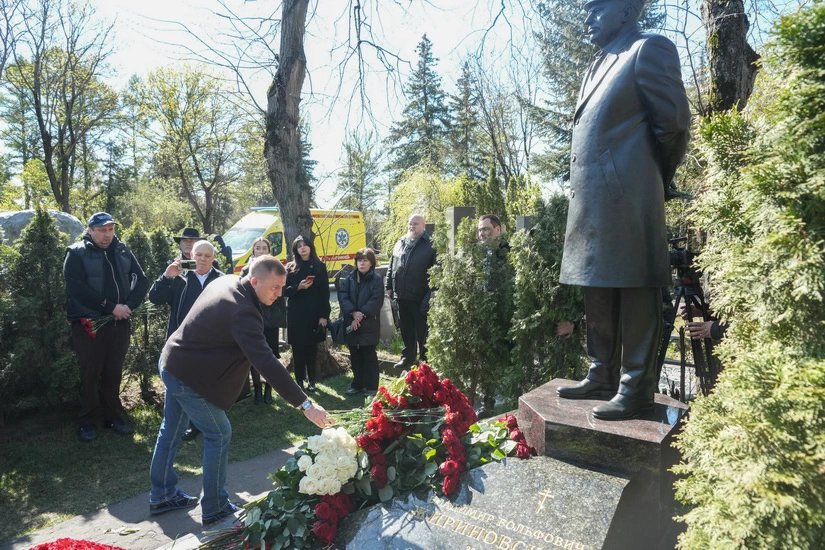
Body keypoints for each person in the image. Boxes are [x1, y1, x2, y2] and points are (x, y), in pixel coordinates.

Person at [556, 0, 691, 419]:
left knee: (634, 286)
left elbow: (674, 125)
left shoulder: (649, 48)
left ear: (628, 11)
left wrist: (651, 180)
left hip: (630, 195)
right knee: (597, 285)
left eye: (599, 8)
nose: (588, 17)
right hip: (592, 199)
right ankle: (602, 372)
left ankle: (635, 387)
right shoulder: (596, 64)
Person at [148, 255, 331, 526]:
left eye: (282, 287)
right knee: (219, 433)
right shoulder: (242, 310)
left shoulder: (230, 282)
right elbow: (265, 361)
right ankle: (215, 507)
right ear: (254, 281)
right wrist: (305, 404)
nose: (279, 294)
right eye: (275, 287)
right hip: (186, 375)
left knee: (172, 428)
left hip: (174, 361)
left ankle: (162, 494)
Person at [64, 212, 148, 442]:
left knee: (114, 370)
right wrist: (111, 307)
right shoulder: (76, 253)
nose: (107, 234)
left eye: (110, 229)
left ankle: (112, 417)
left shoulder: (123, 250)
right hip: (89, 324)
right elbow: (77, 288)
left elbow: (141, 280)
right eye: (102, 230)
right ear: (90, 230)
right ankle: (87, 421)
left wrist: (127, 307)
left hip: (120, 322)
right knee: (90, 373)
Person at [385, 214, 437, 368]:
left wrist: (434, 290)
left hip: (421, 296)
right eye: (410, 223)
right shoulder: (400, 242)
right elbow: (392, 265)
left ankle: (426, 361)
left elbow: (437, 269)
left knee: (423, 331)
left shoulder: (430, 244)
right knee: (406, 329)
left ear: (423, 226)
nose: (412, 226)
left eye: (415, 224)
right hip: (401, 294)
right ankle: (408, 357)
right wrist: (388, 287)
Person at [240, 237, 287, 403]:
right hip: (254, 318)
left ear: (269, 251)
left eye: (264, 248)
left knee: (271, 354)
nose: (261, 251)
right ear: (253, 250)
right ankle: (258, 390)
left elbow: (281, 293)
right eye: (258, 248)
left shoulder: (276, 268)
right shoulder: (246, 270)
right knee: (253, 355)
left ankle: (269, 390)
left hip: (271, 321)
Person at [283, 236, 330, 392]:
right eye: (299, 246)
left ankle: (312, 381)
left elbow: (325, 294)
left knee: (311, 349)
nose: (302, 248)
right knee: (297, 349)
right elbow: (284, 291)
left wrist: (324, 316)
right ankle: (299, 382)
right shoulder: (290, 267)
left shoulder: (319, 267)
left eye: (305, 245)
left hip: (313, 313)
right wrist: (299, 287)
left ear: (310, 247)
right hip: (295, 314)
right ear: (295, 250)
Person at [339, 248, 384, 396]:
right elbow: (343, 297)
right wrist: (353, 312)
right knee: (355, 356)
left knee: (369, 355)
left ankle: (371, 387)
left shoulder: (376, 280)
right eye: (359, 260)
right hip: (351, 322)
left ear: (371, 263)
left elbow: (376, 300)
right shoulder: (349, 279)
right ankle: (357, 384)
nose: (362, 264)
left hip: (368, 323)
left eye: (365, 261)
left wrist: (360, 315)